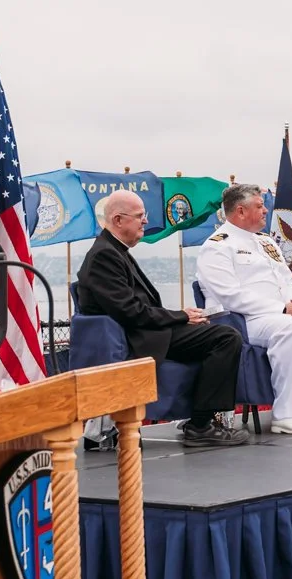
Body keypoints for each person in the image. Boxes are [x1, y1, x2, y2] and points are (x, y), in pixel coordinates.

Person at [77, 190, 248, 447]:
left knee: (217, 334)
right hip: (138, 338)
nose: (145, 221)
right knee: (225, 338)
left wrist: (181, 317)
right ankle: (201, 425)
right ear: (118, 220)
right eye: (139, 216)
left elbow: (135, 307)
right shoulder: (104, 255)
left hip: (146, 332)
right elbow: (130, 311)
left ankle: (199, 418)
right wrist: (180, 316)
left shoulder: (113, 250)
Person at [195, 183, 292, 435]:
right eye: (259, 206)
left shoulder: (266, 242)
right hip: (245, 321)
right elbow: (229, 295)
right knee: (290, 327)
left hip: (280, 314)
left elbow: (285, 281)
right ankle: (287, 414)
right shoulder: (217, 246)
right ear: (240, 211)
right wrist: (282, 310)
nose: (266, 210)